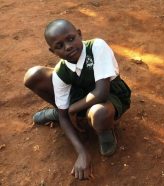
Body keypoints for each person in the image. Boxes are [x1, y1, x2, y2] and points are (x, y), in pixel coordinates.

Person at [23, 19, 131, 180]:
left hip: (110, 94)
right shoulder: (61, 71)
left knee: (99, 113)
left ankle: (105, 131)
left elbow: (101, 92)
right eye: (59, 46)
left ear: (79, 34)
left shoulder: (96, 47)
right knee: (34, 77)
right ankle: (59, 113)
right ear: (52, 51)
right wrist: (82, 153)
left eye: (71, 39)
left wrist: (72, 109)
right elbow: (66, 108)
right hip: (81, 95)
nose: (68, 47)